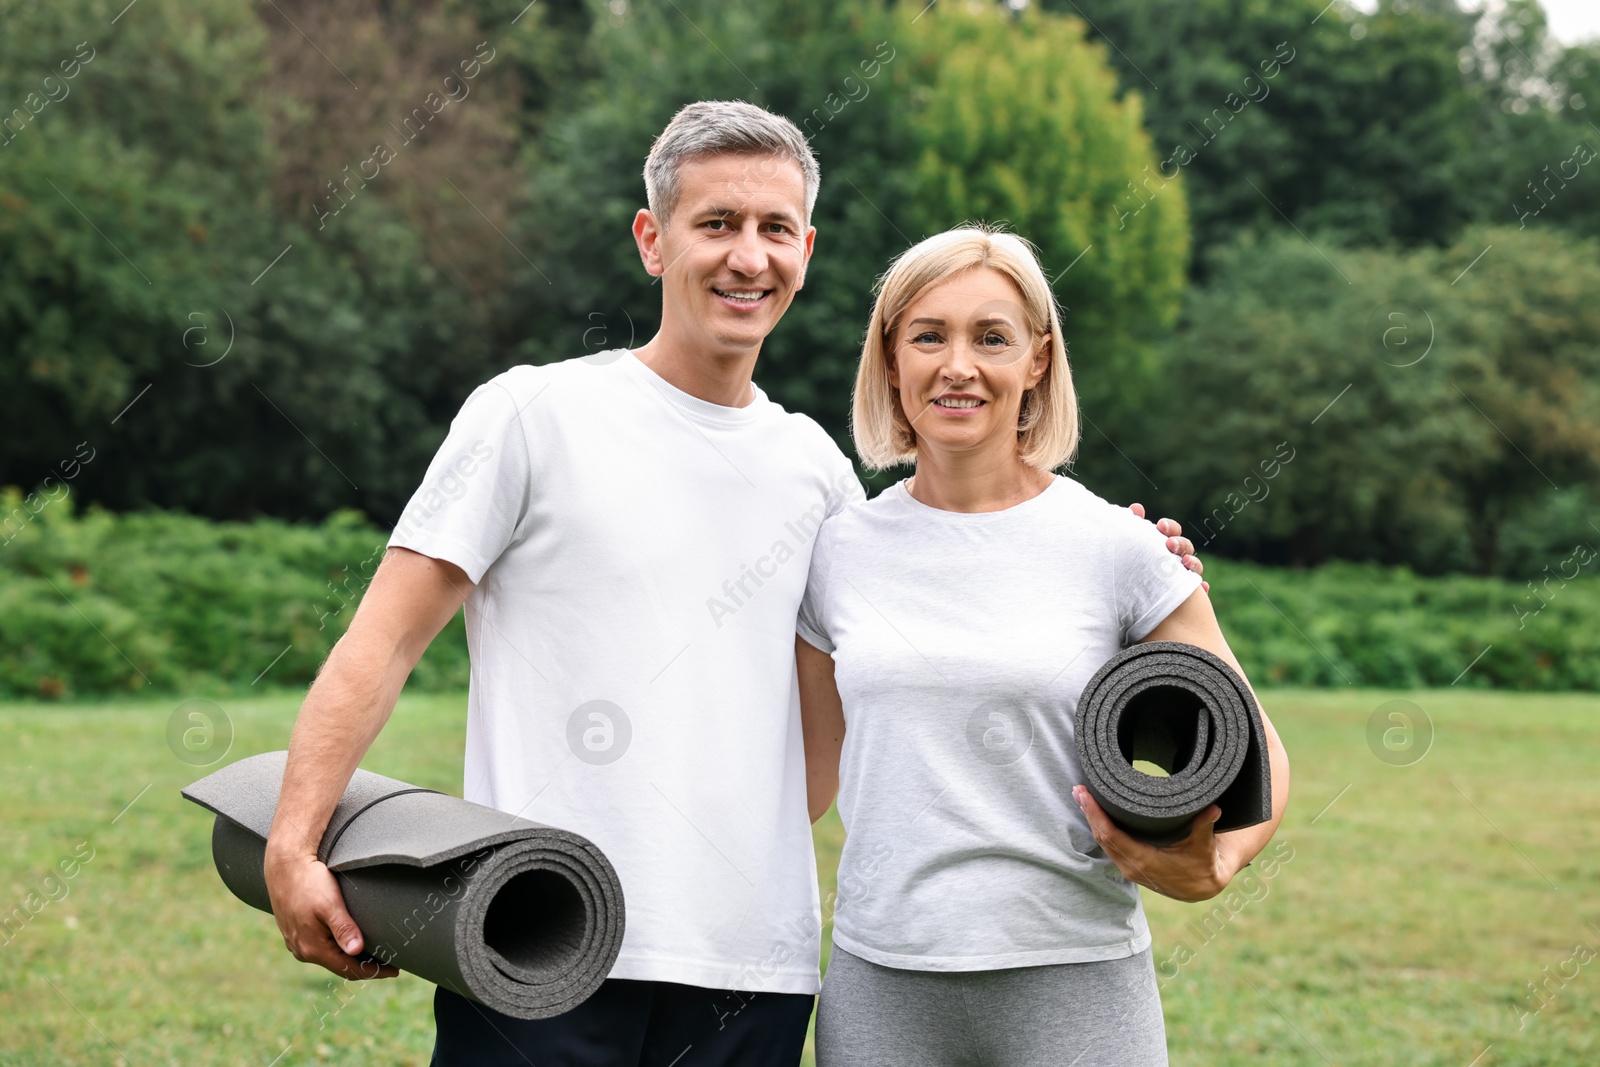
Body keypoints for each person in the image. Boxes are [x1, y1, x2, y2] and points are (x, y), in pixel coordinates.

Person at [259, 102, 1205, 1066]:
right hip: (538, 939)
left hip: (756, 977)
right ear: (652, 240)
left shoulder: (820, 476)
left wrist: (1115, 551)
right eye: (716, 224)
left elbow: (851, 704)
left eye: (774, 229)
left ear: (806, 248)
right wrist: (295, 840)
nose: (747, 257)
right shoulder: (530, 414)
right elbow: (383, 642)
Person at [798, 226, 1290, 1067]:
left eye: (991, 337)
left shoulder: (1118, 546)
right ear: (890, 360)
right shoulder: (835, 550)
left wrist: (1218, 863)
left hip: (1076, 978)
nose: (958, 364)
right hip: (884, 983)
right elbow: (800, 777)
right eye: (928, 335)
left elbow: (1260, 750)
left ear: (1037, 360)